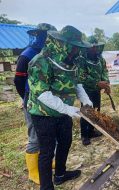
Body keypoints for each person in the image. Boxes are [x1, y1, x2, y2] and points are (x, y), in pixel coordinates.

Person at [27, 25, 93, 190]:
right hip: (43, 113)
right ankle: (47, 187)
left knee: (65, 142)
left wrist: (85, 100)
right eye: (75, 47)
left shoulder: (73, 61)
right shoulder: (40, 61)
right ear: (64, 44)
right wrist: (68, 109)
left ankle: (60, 175)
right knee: (47, 151)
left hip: (63, 111)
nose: (78, 51)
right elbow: (42, 94)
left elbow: (76, 83)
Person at [14, 23, 57, 184]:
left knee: (49, 133)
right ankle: (33, 171)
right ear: (40, 36)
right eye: (45, 36)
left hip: (48, 100)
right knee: (35, 137)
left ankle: (47, 162)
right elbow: (18, 80)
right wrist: (25, 99)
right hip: (32, 101)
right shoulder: (27, 55)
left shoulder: (49, 54)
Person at [77, 36, 110, 146]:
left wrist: (106, 83)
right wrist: (97, 82)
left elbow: (104, 70)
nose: (95, 49)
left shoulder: (100, 58)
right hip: (86, 91)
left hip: (96, 90)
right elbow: (82, 76)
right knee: (86, 111)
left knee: (96, 110)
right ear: (87, 48)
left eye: (96, 47)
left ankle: (92, 131)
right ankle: (84, 135)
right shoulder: (81, 59)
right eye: (92, 47)